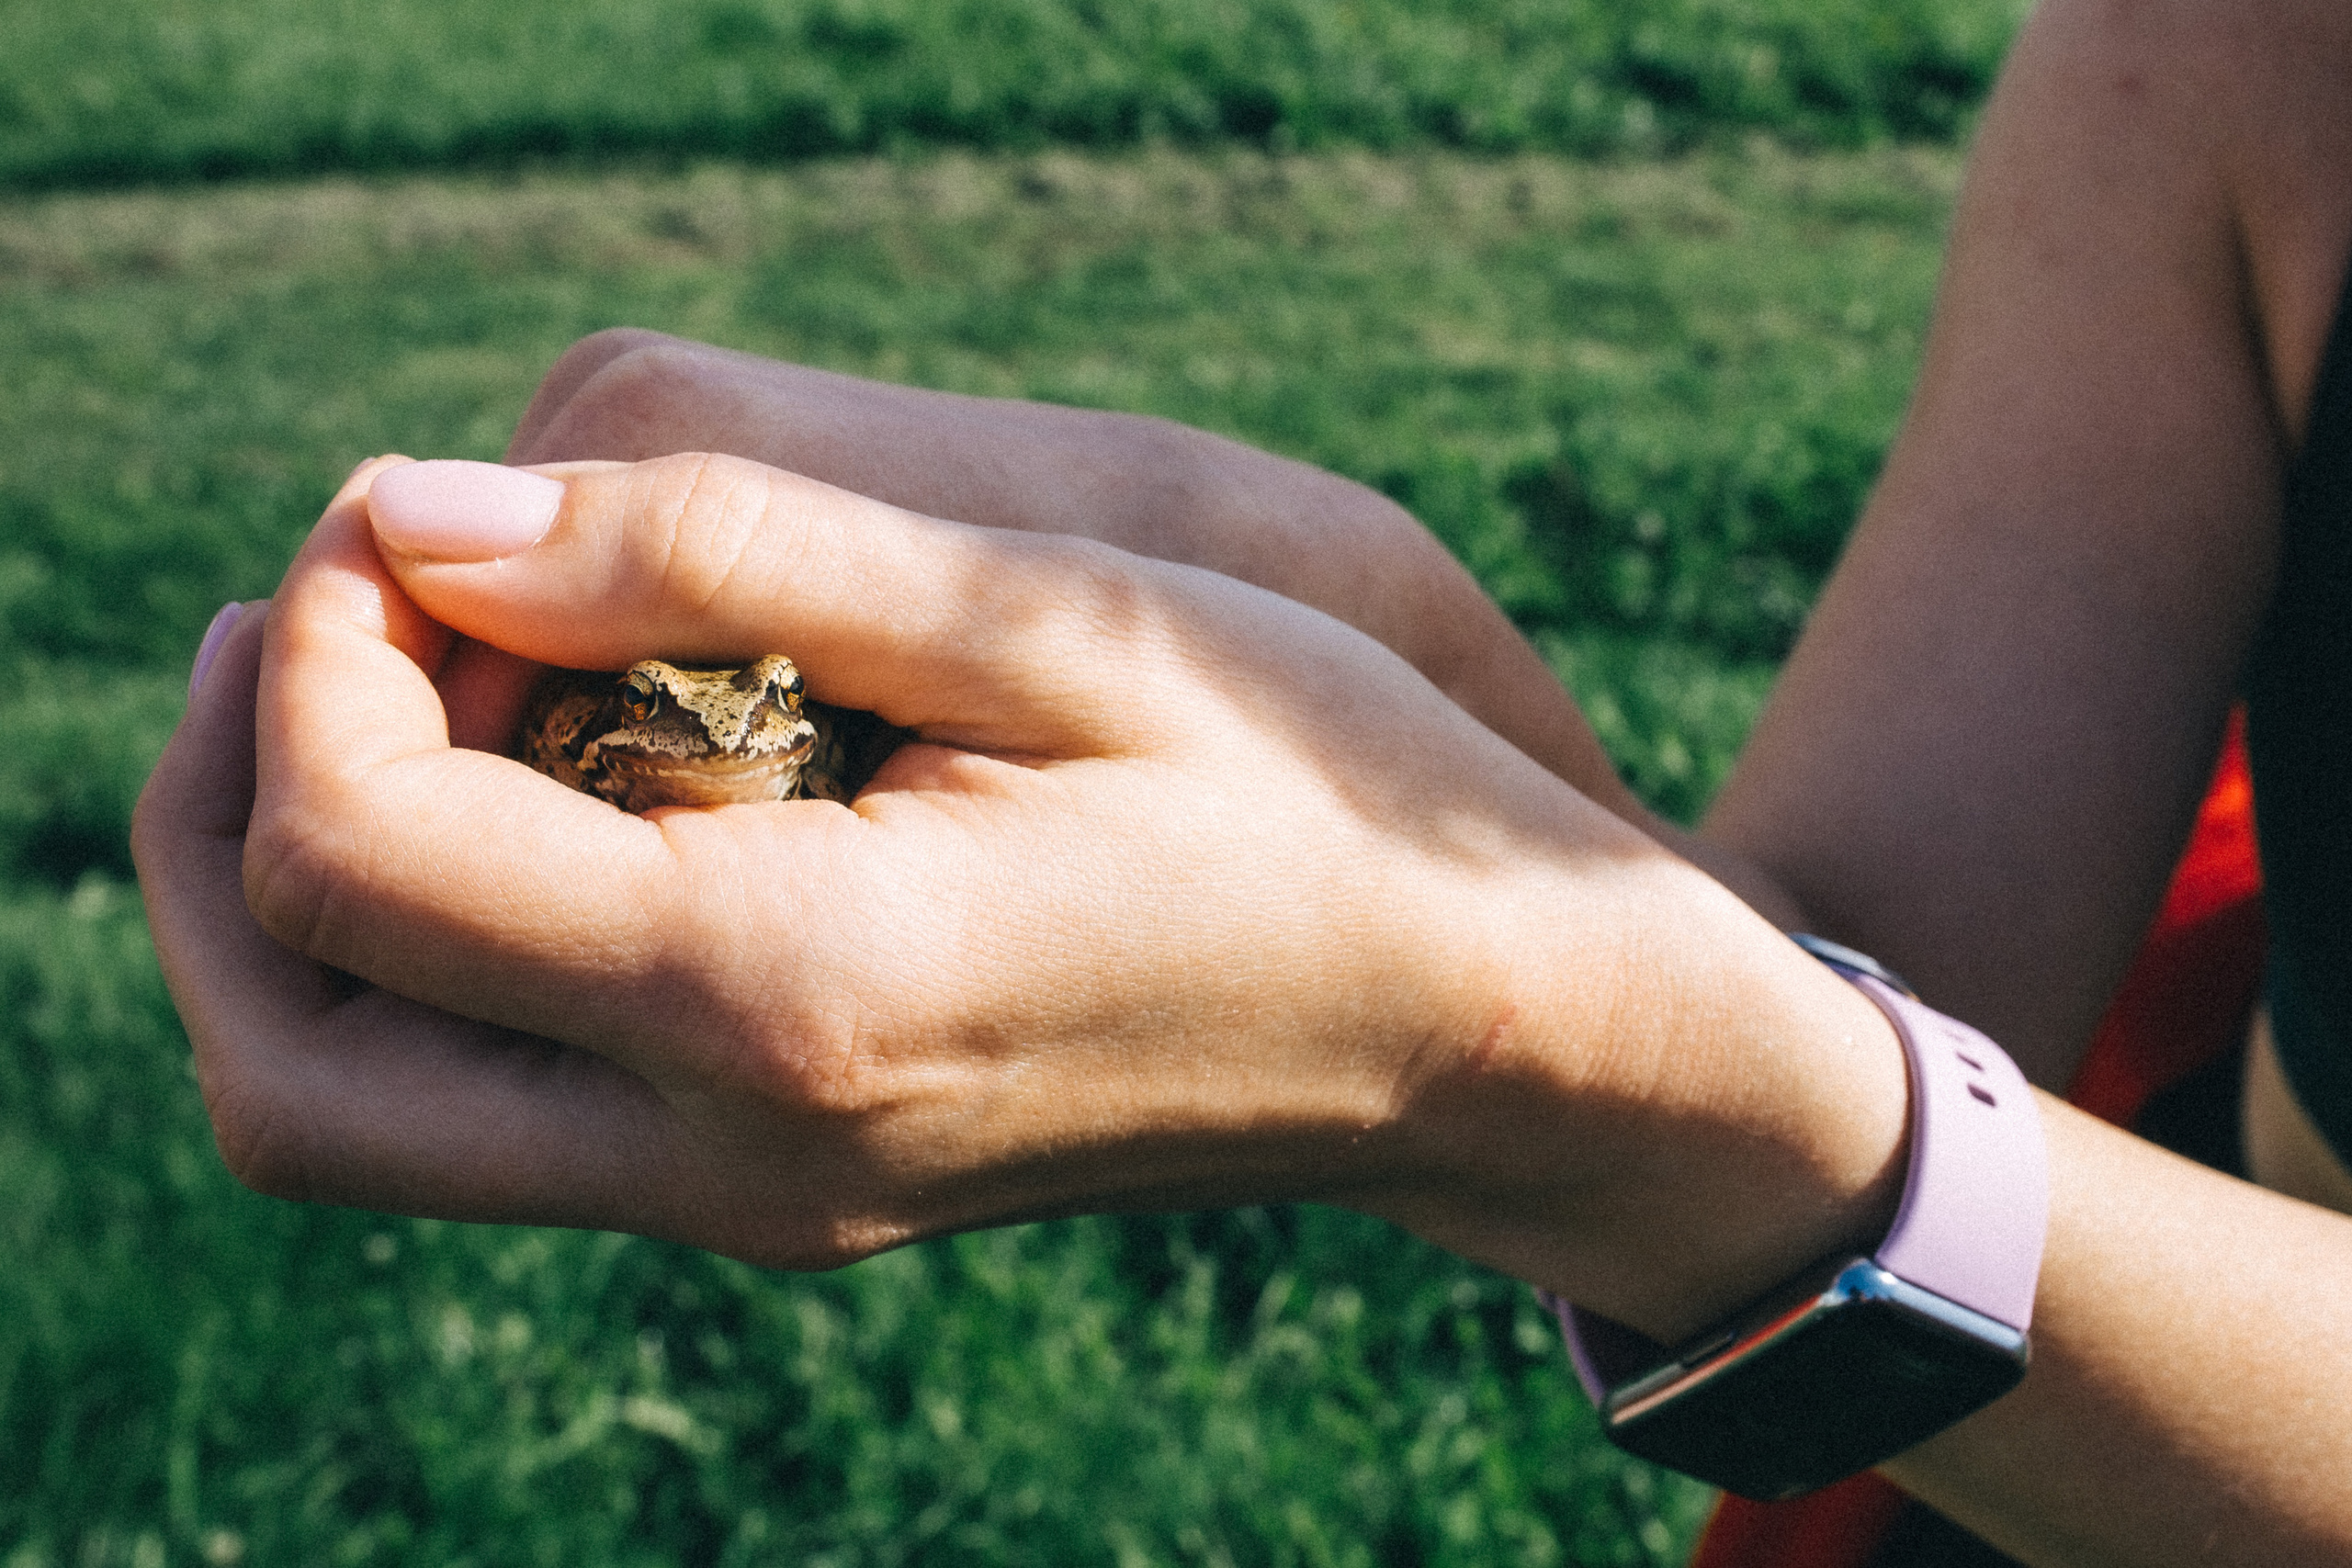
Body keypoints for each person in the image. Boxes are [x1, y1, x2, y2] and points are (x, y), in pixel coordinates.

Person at [133, 0, 2352, 1562]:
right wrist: (1377, 657)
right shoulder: (2231, 53)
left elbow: (1751, 1063)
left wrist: (1552, 1062)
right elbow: (1867, 977)